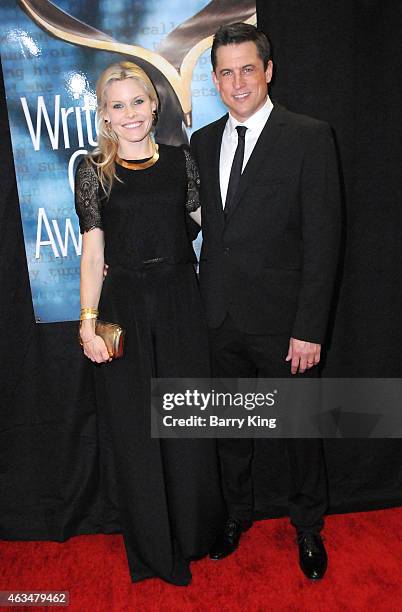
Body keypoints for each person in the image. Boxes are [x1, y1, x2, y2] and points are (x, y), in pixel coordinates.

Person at [190, 23, 341, 580]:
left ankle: (308, 528)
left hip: (285, 326)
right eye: (225, 72)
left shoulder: (308, 136)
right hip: (221, 317)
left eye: (247, 68)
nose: (237, 82)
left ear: (268, 70)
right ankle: (236, 516)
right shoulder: (203, 142)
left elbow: (325, 242)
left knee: (298, 433)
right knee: (230, 431)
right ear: (214, 79)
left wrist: (310, 327)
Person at [74, 61, 224, 586]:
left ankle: (195, 533)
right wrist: (88, 323)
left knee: (185, 423)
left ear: (154, 104)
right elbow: (93, 252)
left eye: (138, 101)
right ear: (105, 116)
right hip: (125, 308)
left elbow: (210, 226)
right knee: (139, 432)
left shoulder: (184, 162)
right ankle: (157, 549)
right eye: (118, 106)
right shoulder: (93, 170)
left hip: (183, 302)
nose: (130, 113)